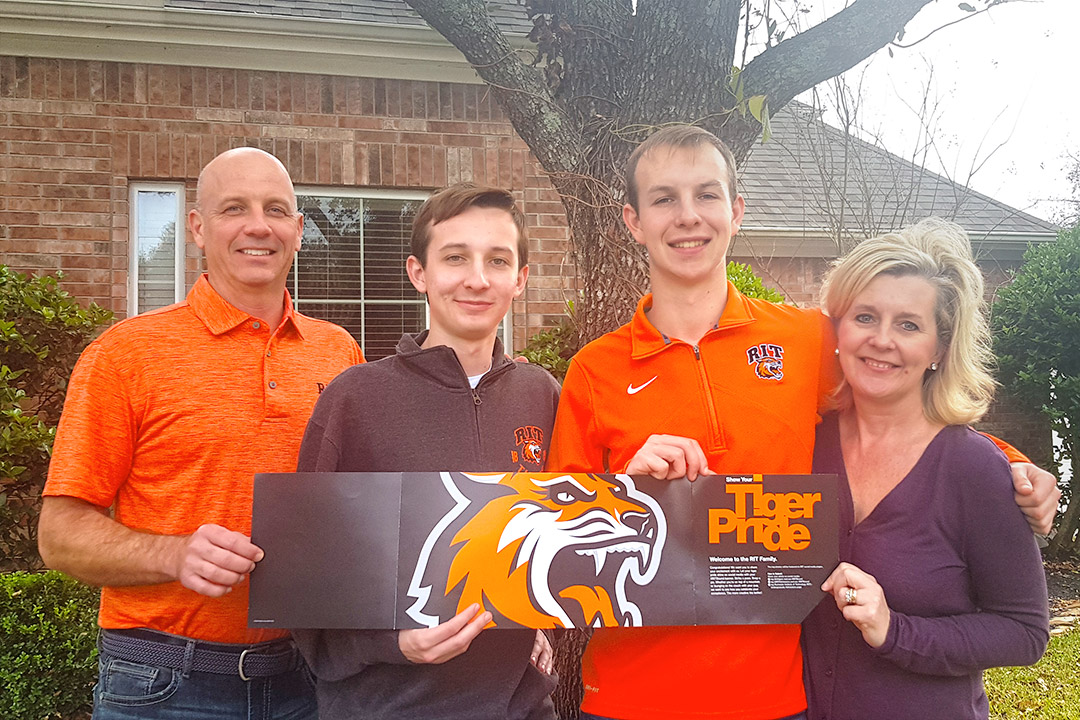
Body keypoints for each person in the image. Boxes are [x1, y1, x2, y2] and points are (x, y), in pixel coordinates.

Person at [547, 126, 1059, 720]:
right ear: (634, 221)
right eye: (664, 199)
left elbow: (897, 409)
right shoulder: (593, 371)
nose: (688, 216)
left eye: (707, 195)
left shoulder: (803, 339)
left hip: (774, 696)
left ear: (736, 212)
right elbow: (561, 559)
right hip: (630, 697)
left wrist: (1009, 464)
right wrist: (627, 492)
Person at [38, 147, 363, 720]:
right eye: (234, 208)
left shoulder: (339, 352)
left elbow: (363, 509)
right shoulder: (125, 355)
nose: (257, 226)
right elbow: (59, 535)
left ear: (298, 229)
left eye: (276, 209)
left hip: (310, 678)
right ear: (197, 227)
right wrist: (173, 553)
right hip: (164, 681)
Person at [291, 182, 560, 720]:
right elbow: (302, 582)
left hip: (521, 706)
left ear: (521, 280)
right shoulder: (355, 399)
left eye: (497, 260)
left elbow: (560, 533)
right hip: (383, 706)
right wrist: (393, 642)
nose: (477, 279)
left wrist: (541, 614)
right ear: (419, 273)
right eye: (455, 257)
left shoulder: (543, 396)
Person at [802, 218, 1048, 719]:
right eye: (865, 317)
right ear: (838, 329)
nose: (882, 340)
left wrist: (895, 629)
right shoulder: (802, 445)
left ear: (938, 349)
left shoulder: (974, 469)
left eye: (908, 325)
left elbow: (1024, 632)